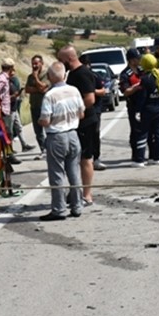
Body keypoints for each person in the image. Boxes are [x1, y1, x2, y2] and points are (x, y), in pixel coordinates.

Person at [38, 61, 84, 221]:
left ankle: (59, 209)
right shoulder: (74, 91)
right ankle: (77, 205)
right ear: (64, 75)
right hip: (73, 133)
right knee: (74, 172)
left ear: (50, 77)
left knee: (57, 173)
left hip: (56, 135)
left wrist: (40, 122)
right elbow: (81, 113)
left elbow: (45, 119)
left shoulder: (50, 95)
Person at [58, 45, 98, 205]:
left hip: (86, 122)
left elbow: (90, 99)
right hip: (76, 123)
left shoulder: (82, 74)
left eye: (61, 60)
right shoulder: (72, 74)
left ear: (69, 59)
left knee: (86, 159)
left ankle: (87, 194)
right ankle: (75, 191)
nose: (60, 63)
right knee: (75, 159)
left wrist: (73, 111)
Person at [136, 52, 159, 165]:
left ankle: (139, 159)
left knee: (142, 133)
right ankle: (158, 157)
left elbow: (143, 96)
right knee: (158, 132)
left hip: (148, 109)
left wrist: (138, 110)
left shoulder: (146, 79)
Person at [119, 48, 146, 166]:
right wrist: (137, 86)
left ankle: (143, 153)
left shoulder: (141, 70)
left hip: (145, 104)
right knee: (136, 131)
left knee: (146, 131)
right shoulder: (125, 74)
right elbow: (125, 91)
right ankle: (136, 154)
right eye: (137, 59)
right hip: (134, 105)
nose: (139, 61)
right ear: (131, 60)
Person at [23, 54, 50, 159]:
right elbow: (27, 89)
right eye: (33, 63)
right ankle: (43, 149)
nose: (34, 65)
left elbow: (44, 89)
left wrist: (36, 79)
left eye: (36, 63)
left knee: (48, 129)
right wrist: (37, 88)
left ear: (42, 63)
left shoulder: (47, 74)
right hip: (34, 106)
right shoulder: (30, 76)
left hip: (45, 106)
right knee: (38, 131)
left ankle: (50, 148)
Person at [6, 59, 32, 152]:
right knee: (9, 130)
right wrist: (15, 95)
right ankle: (10, 149)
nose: (13, 73)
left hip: (14, 108)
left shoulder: (13, 80)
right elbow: (5, 98)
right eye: (11, 71)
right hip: (8, 109)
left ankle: (24, 145)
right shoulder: (5, 81)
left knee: (19, 127)